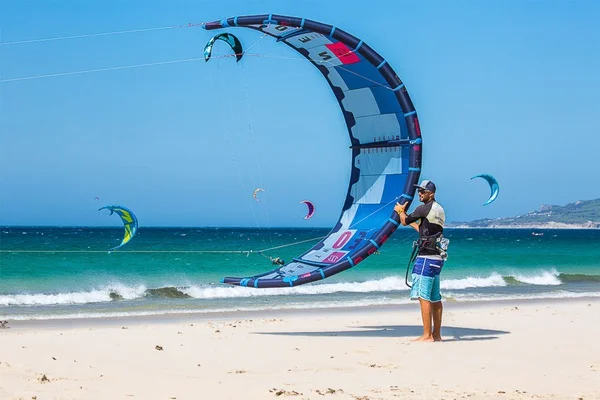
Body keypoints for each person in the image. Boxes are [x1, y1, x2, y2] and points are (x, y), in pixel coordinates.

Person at [394, 180, 446, 342]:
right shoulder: (439, 209)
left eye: (423, 191)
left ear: (431, 193)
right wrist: (415, 224)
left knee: (423, 297)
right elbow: (426, 232)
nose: (420, 194)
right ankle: (436, 335)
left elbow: (403, 220)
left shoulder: (423, 207)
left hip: (425, 258)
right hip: (437, 258)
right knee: (435, 297)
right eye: (419, 191)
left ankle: (426, 335)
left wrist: (400, 211)